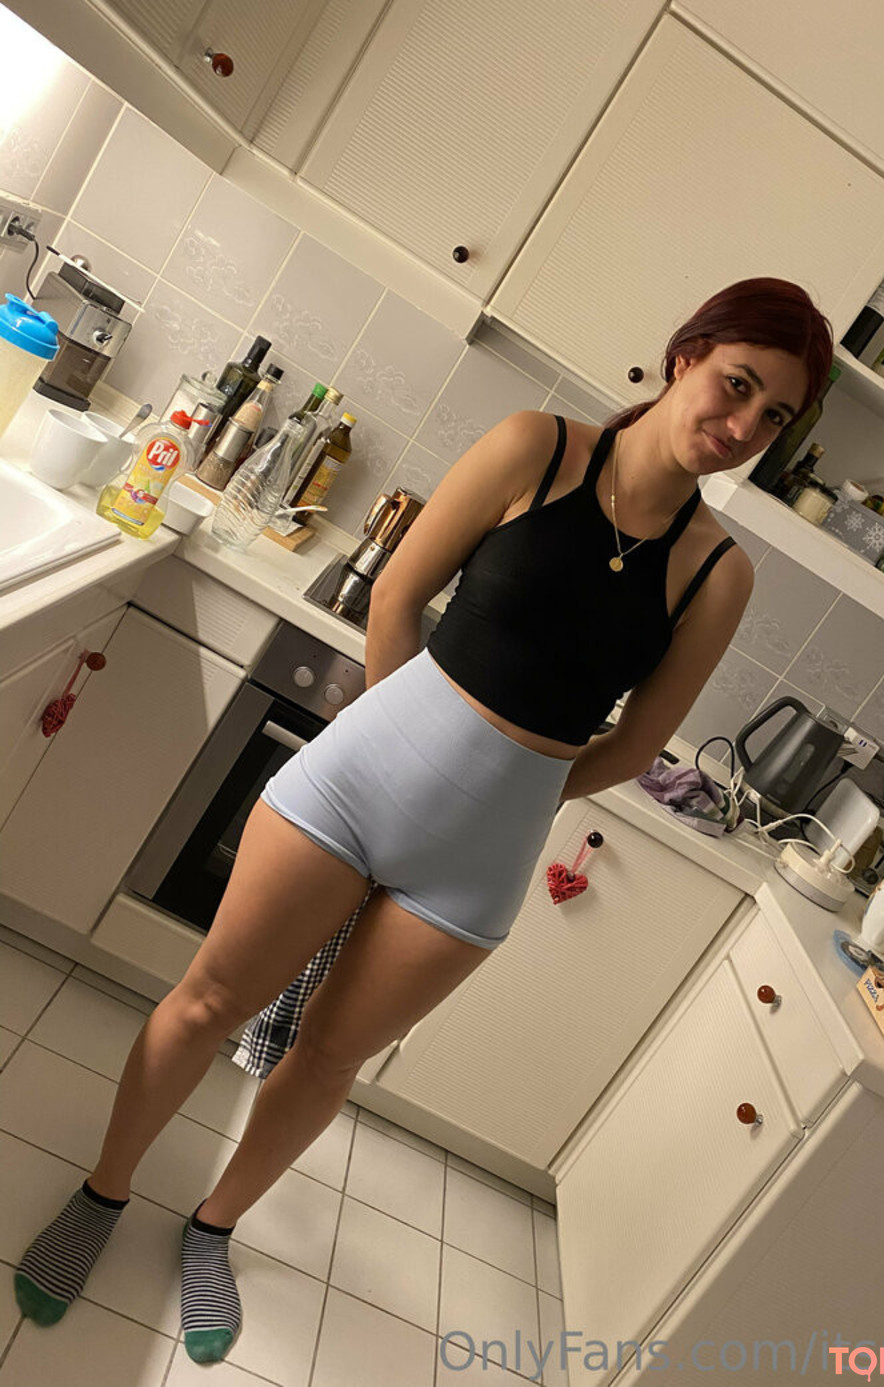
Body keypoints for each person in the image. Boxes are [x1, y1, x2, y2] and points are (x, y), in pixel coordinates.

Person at [14, 277, 832, 1362]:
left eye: (773, 417)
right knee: (210, 995)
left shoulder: (718, 574)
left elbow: (637, 746)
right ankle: (104, 1193)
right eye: (737, 385)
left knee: (328, 1059)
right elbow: (398, 594)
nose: (741, 426)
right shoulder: (538, 446)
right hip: (355, 783)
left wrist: (512, 788)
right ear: (687, 355)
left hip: (479, 858)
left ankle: (213, 1228)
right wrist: (401, 744)